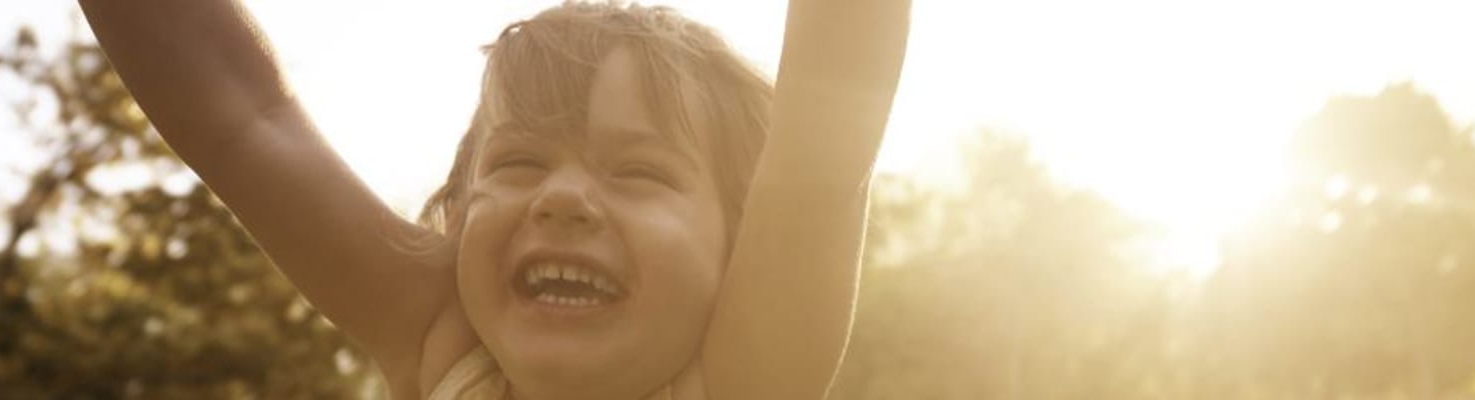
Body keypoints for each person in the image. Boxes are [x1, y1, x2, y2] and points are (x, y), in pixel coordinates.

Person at [76, 0, 908, 399]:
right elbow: (245, 120)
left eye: (639, 174)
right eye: (516, 163)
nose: (564, 198)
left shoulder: (738, 381)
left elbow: (821, 159)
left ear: (743, 250)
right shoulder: (450, 344)